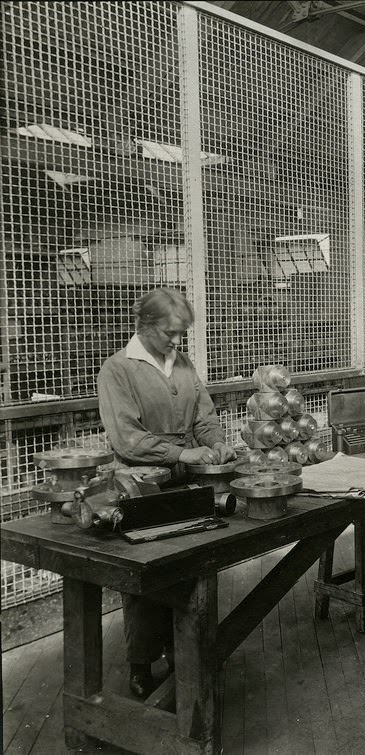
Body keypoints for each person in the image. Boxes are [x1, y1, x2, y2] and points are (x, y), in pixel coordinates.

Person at [97, 287, 235, 697]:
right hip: (141, 486)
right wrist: (181, 450)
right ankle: (141, 664)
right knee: (144, 579)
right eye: (170, 333)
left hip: (186, 482)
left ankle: (183, 657)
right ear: (145, 326)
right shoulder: (118, 369)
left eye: (182, 333)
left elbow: (204, 415)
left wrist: (216, 441)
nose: (177, 341)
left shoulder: (185, 363)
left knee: (188, 571)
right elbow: (126, 439)